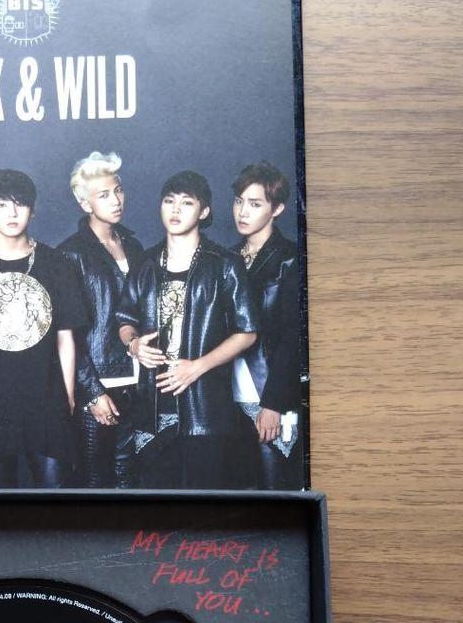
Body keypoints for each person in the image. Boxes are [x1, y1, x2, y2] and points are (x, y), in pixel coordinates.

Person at [117, 170, 258, 489]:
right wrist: (134, 344)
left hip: (205, 410)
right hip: (152, 408)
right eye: (169, 201)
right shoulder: (145, 263)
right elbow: (124, 319)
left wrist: (197, 367)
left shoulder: (224, 264)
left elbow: (247, 332)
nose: (176, 210)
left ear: (204, 211)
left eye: (187, 203)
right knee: (157, 504)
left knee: (203, 502)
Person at [0, 169, 83, 488]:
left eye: (19, 204)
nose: (11, 213)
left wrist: (68, 400)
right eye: (1, 205)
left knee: (55, 499)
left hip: (45, 405)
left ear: (32, 211)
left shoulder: (56, 264)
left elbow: (65, 340)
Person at [57, 151, 144, 488]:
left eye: (118, 190)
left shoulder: (134, 246)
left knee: (129, 478)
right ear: (85, 204)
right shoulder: (71, 253)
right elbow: (67, 332)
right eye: (104, 195)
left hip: (138, 379)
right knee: (95, 481)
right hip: (98, 382)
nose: (116, 200)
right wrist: (92, 392)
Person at [230, 162, 303, 489]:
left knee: (274, 487)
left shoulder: (290, 259)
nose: (243, 212)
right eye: (239, 201)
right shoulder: (227, 258)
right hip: (227, 392)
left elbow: (291, 337)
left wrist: (273, 403)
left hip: (267, 389)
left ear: (278, 209)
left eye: (255, 204)